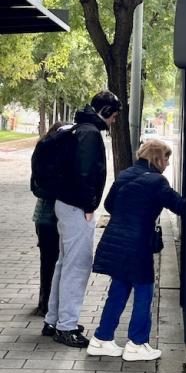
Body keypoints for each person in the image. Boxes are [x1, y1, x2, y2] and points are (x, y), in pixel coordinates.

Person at [87, 139, 184, 361]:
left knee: (119, 290)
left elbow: (110, 204)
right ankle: (137, 344)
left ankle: (101, 339)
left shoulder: (125, 174)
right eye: (167, 158)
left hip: (116, 241)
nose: (168, 163)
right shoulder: (157, 182)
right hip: (137, 244)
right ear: (158, 158)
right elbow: (180, 206)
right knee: (144, 292)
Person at [44, 91, 121, 348]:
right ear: (107, 112)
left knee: (64, 264)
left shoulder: (79, 129)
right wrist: (89, 205)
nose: (114, 121)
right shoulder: (89, 134)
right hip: (77, 208)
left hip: (65, 204)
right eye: (114, 116)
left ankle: (53, 320)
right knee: (77, 267)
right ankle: (66, 327)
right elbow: (86, 172)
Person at [32, 122, 63, 316]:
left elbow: (35, 186)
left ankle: (45, 301)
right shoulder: (57, 157)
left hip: (42, 216)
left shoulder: (41, 152)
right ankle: (48, 303)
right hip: (54, 216)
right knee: (56, 260)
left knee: (47, 260)